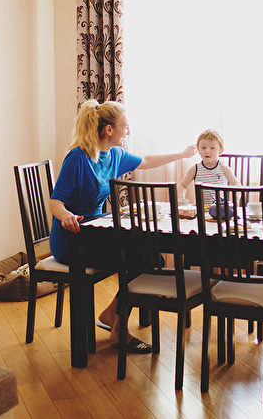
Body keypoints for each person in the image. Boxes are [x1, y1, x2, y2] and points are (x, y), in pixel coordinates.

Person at [49, 99, 196, 353]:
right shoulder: (78, 157)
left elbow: (145, 160)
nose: (128, 131)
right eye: (125, 126)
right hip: (72, 238)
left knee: (152, 257)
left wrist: (181, 155)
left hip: (97, 231)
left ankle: (112, 316)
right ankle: (117, 328)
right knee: (143, 259)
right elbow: (55, 202)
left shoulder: (114, 155)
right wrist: (66, 216)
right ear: (109, 129)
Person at [177, 129, 239, 204]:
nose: (207, 151)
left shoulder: (224, 168)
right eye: (203, 148)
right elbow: (182, 185)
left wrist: (236, 199)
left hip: (220, 208)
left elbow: (236, 184)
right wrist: (180, 198)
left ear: (220, 151)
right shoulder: (195, 169)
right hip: (201, 208)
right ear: (198, 150)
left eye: (212, 148)